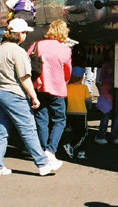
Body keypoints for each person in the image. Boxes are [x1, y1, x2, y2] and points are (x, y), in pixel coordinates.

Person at [0, 18, 62, 177]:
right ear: (19, 34)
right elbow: (24, 77)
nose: (25, 36)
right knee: (28, 129)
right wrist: (34, 96)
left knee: (0, 130)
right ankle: (43, 163)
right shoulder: (18, 51)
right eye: (25, 33)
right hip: (13, 93)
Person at [30, 19, 72, 164]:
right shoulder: (65, 50)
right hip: (57, 88)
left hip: (38, 87)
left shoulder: (37, 45)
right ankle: (51, 150)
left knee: (42, 119)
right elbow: (68, 72)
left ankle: (42, 150)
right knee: (59, 120)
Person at [95, 48, 118, 145]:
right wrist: (112, 79)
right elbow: (101, 78)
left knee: (116, 116)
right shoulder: (106, 65)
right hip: (107, 94)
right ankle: (101, 135)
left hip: (117, 94)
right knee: (105, 116)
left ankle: (115, 135)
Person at [63, 66, 92, 160]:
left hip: (69, 112)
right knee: (83, 133)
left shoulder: (67, 87)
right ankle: (73, 147)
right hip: (81, 113)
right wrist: (88, 108)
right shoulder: (84, 88)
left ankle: (80, 151)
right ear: (82, 77)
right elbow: (88, 101)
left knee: (74, 132)